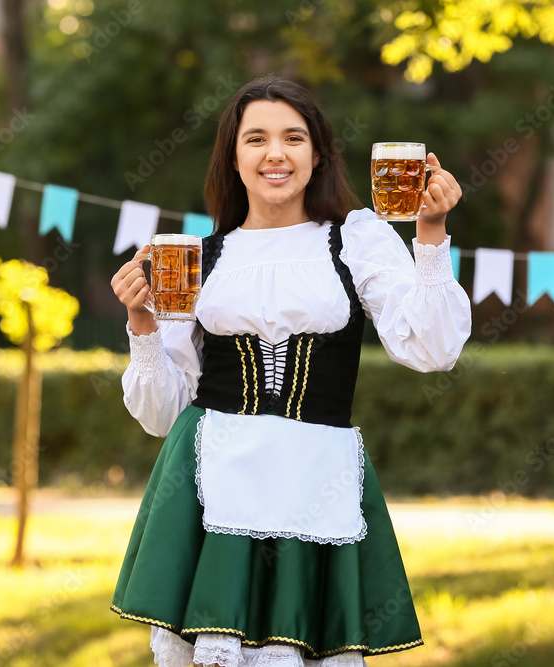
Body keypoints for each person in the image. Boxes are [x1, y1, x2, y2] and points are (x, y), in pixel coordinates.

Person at [109, 75, 472, 667]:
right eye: (256, 138)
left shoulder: (357, 239)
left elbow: (430, 350)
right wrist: (142, 322)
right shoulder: (202, 257)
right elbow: (160, 416)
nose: (275, 154)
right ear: (233, 156)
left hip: (315, 481)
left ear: (318, 153)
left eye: (293, 138)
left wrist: (430, 231)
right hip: (212, 478)